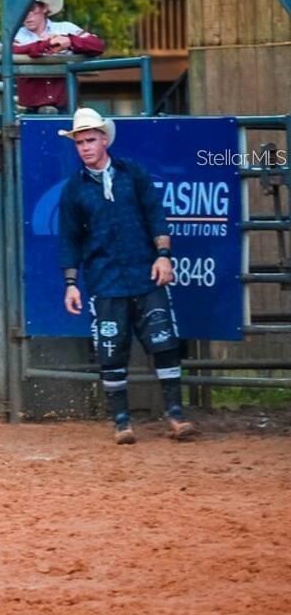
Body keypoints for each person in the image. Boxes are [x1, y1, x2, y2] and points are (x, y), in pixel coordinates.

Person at [57, 108, 195, 445]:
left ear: (104, 139)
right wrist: (71, 284)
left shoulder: (132, 173)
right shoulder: (74, 190)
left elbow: (155, 216)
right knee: (111, 349)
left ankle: (175, 414)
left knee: (163, 343)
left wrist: (163, 256)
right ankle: (121, 420)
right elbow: (69, 238)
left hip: (144, 273)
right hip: (106, 281)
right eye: (80, 142)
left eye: (90, 140)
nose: (86, 147)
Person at [13, 0, 106, 113]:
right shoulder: (15, 34)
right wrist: (49, 43)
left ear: (44, 8)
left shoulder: (66, 28)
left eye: (32, 8)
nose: (27, 15)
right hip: (33, 108)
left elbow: (97, 45)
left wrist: (69, 41)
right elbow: (14, 51)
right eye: (23, 10)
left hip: (67, 104)